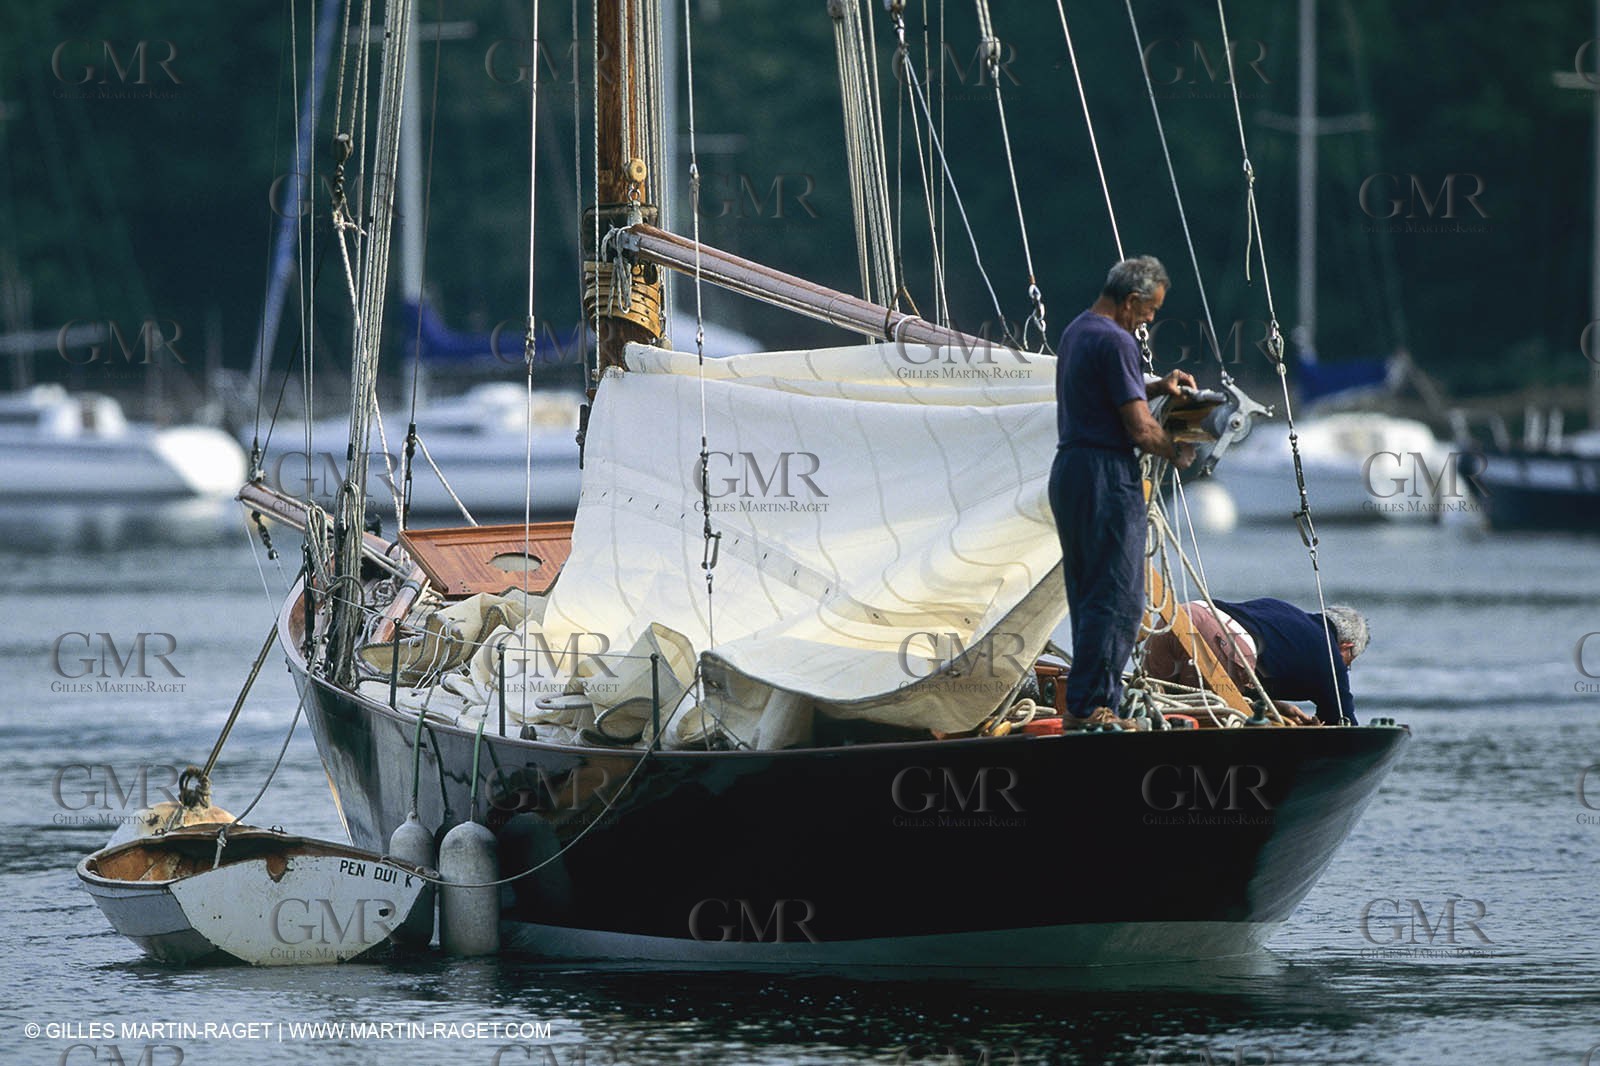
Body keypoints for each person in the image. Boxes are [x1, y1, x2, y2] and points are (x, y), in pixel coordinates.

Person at [1050, 256, 1196, 730]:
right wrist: (1177, 449)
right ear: (1131, 301)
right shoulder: (1117, 339)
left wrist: (1157, 384)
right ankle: (1095, 707)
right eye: (1150, 310)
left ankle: (1082, 706)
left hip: (1070, 470)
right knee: (1117, 596)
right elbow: (1138, 428)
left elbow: (1104, 390)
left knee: (1089, 591)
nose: (1151, 319)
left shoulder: (1079, 330)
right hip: (1105, 473)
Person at [1142, 598, 1369, 725]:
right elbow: (1343, 724)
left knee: (1155, 711)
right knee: (1203, 723)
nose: (1345, 668)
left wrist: (1275, 707)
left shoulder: (1284, 610)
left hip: (1176, 618)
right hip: (1213, 640)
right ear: (1346, 647)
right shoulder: (1330, 656)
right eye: (1349, 661)